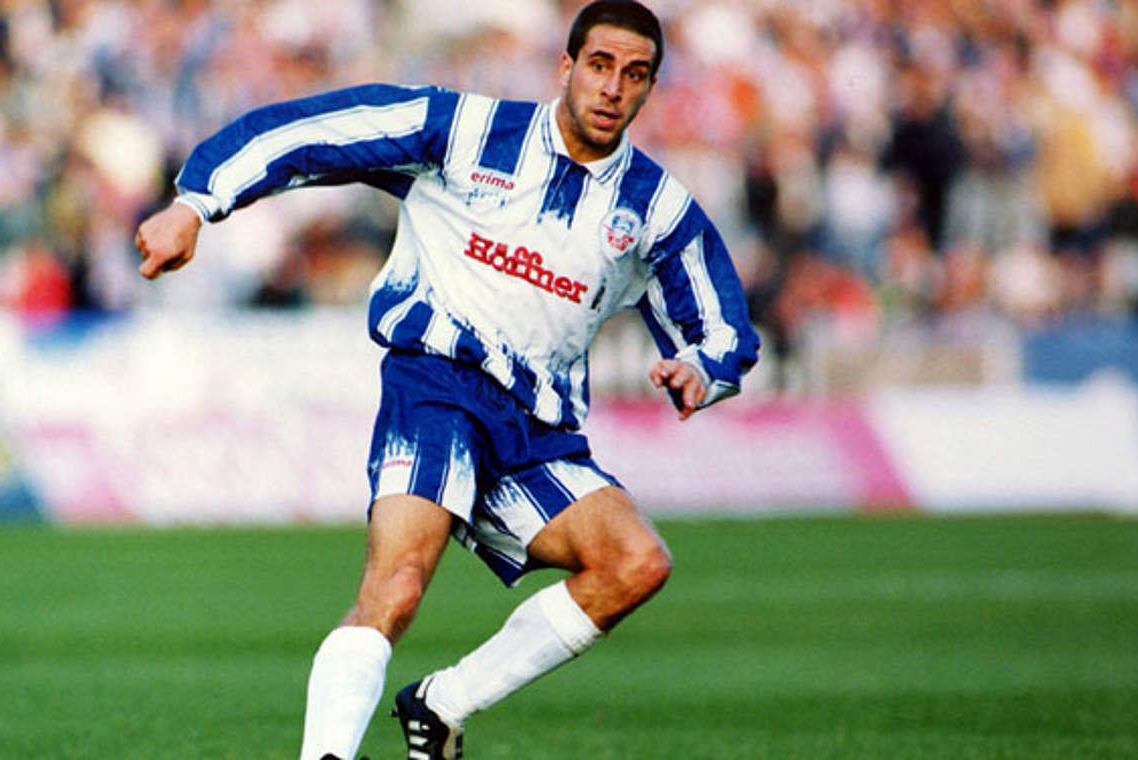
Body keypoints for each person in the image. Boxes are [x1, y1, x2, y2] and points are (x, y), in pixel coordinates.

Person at [133, 2, 759, 758]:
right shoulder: (466, 130)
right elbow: (313, 130)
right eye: (599, 66)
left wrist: (702, 370)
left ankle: (441, 705)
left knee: (636, 563)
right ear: (566, 67)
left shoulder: (657, 209)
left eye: (635, 75)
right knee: (396, 587)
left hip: (536, 429)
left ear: (650, 88)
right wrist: (196, 204)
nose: (613, 88)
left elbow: (724, 330)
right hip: (436, 385)